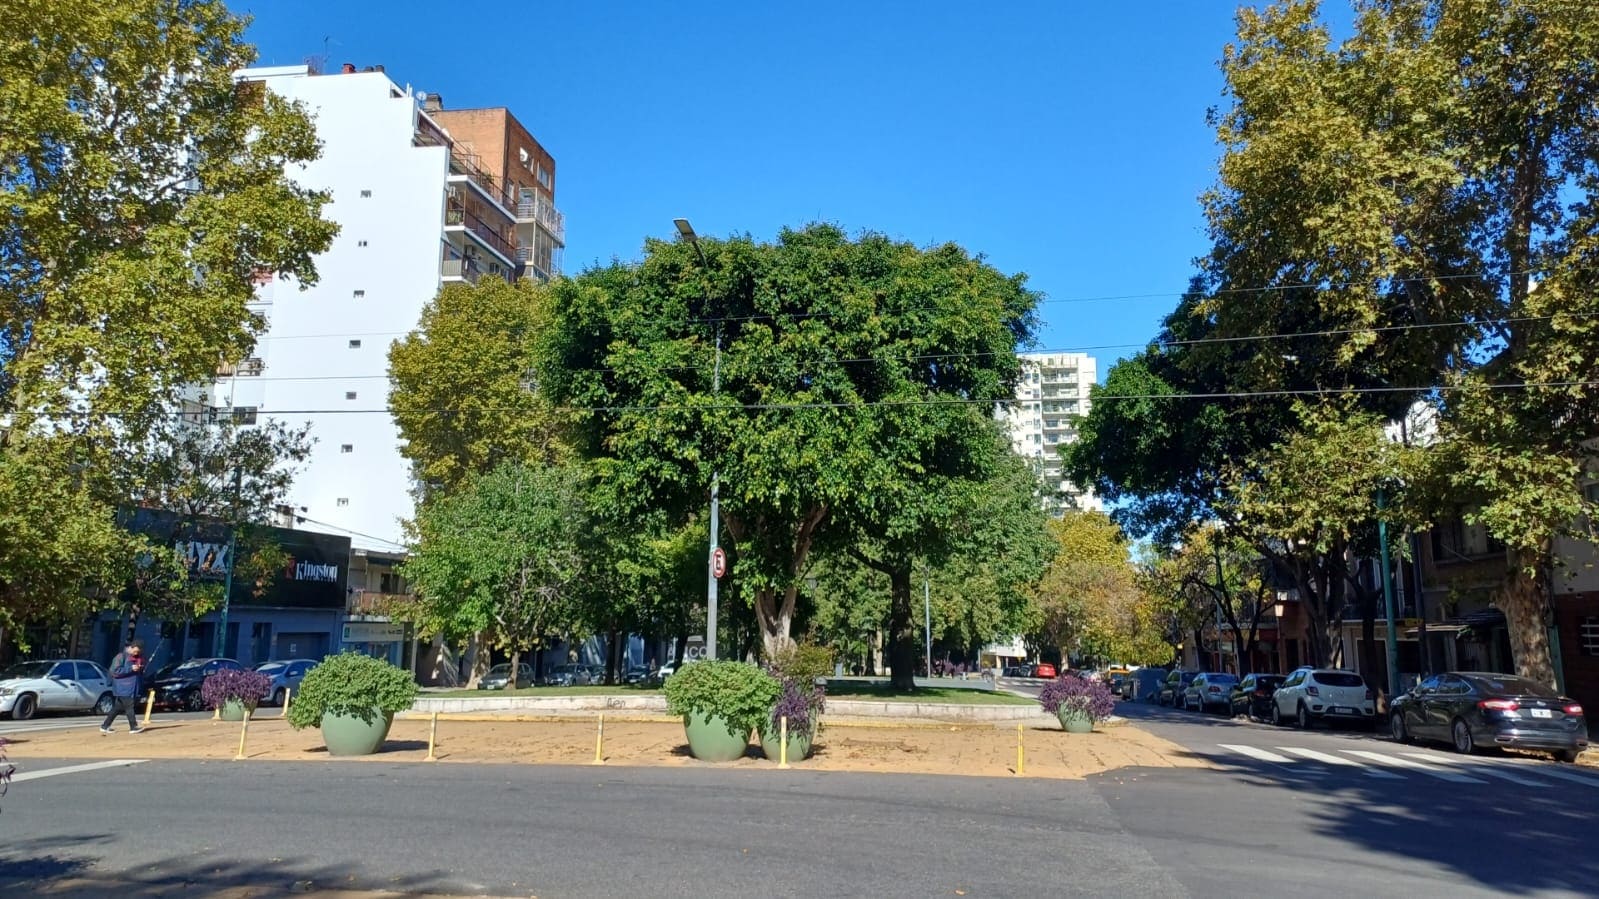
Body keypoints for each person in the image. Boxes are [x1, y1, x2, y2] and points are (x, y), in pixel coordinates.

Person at [102, 640, 147, 734]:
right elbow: (115, 671)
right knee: (129, 706)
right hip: (122, 687)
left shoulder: (137, 658)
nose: (136, 653)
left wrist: (140, 667)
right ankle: (133, 727)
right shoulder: (120, 657)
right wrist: (131, 668)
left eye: (138, 652)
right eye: (135, 651)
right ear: (130, 648)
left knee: (117, 708)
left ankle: (105, 726)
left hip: (131, 688)